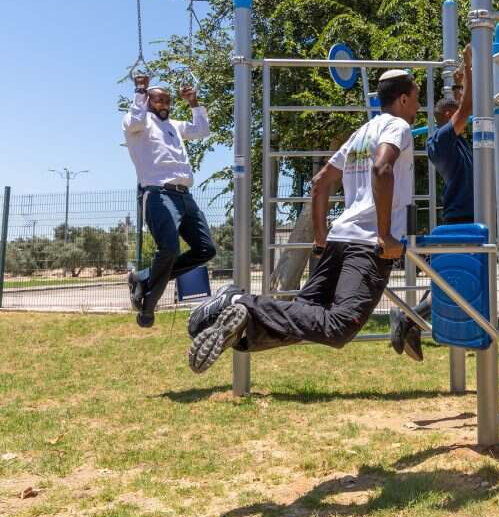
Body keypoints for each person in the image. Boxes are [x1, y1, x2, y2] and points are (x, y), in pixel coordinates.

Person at [187, 70, 419, 373]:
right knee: (340, 325)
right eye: (416, 99)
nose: (418, 107)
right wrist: (385, 234)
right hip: (367, 244)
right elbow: (381, 168)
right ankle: (237, 300)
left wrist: (321, 236)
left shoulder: (361, 133)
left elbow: (321, 181)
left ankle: (241, 329)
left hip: (339, 238)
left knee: (302, 314)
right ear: (403, 99)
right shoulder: (398, 126)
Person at [389, 44, 474, 362]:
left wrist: (461, 82)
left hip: (466, 218)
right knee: (455, 285)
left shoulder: (457, 140)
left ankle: (410, 322)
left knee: (448, 280)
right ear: (450, 116)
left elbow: (465, 105)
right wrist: (470, 67)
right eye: (458, 110)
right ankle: (406, 317)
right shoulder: (441, 140)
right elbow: (468, 107)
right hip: (461, 220)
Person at [124, 75, 215, 328]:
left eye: (167, 101)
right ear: (148, 101)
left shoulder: (174, 125)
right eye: (158, 100)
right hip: (158, 193)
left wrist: (194, 102)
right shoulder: (138, 123)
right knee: (170, 249)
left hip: (185, 196)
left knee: (206, 249)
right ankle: (148, 307)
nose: (164, 105)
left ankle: (143, 278)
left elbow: (202, 130)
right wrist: (140, 90)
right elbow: (135, 119)